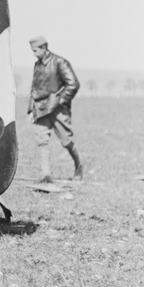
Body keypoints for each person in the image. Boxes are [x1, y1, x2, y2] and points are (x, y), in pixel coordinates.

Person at [27, 35, 82, 182]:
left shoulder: (60, 62)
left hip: (58, 110)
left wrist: (60, 100)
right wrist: (30, 109)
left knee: (67, 141)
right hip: (40, 109)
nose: (33, 53)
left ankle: (78, 166)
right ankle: (46, 175)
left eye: (35, 50)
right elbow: (34, 88)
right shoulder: (37, 65)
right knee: (42, 141)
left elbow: (73, 84)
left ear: (44, 48)